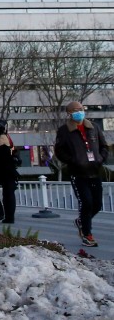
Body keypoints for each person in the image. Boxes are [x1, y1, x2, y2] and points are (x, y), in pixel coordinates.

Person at [53, 101, 108, 247]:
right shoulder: (64, 131)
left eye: (81, 109)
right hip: (78, 173)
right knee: (86, 202)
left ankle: (81, 222)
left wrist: (101, 158)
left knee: (97, 204)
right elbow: (59, 151)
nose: (79, 112)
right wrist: (73, 160)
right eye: (76, 110)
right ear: (69, 113)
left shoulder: (93, 127)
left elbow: (104, 146)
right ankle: (87, 234)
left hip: (95, 171)